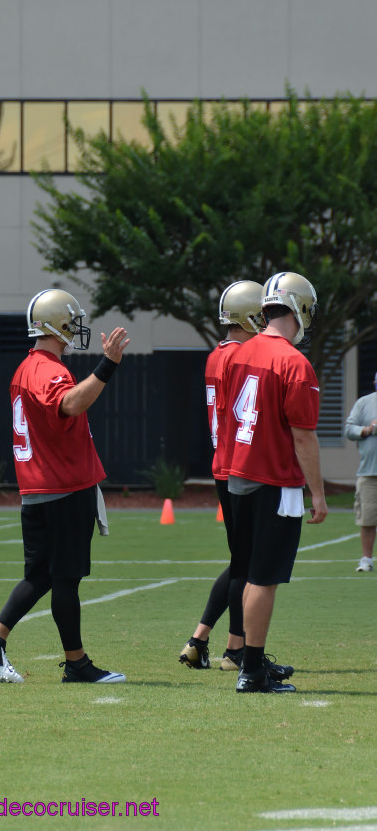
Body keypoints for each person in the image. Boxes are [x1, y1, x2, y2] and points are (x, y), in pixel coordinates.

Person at [0, 288, 130, 684]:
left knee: (40, 575)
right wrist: (107, 366)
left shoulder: (27, 368)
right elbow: (70, 404)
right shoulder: (47, 369)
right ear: (56, 324)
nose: (76, 329)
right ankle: (76, 664)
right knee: (65, 578)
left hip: (39, 485)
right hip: (62, 486)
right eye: (72, 322)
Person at [220, 271, 328, 694]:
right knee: (264, 578)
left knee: (248, 572)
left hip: (239, 475)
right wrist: (317, 493)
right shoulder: (293, 362)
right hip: (275, 480)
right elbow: (303, 435)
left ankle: (251, 659)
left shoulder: (239, 353)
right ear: (299, 307)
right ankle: (252, 672)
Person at [179, 280, 264, 673]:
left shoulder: (216, 355)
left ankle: (199, 639)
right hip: (241, 465)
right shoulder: (246, 356)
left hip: (222, 463)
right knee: (247, 564)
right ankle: (235, 650)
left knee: (240, 560)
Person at [344, 374, 377, 572]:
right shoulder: (364, 403)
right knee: (368, 517)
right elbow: (349, 429)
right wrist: (368, 429)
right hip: (369, 472)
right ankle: (366, 558)